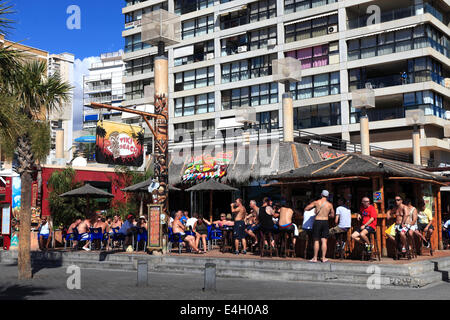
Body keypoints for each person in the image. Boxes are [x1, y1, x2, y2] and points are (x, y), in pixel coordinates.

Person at [305, 190, 335, 263]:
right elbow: (332, 215)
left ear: (321, 194)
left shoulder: (316, 202)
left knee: (316, 240)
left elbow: (306, 208)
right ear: (327, 196)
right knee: (324, 240)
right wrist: (327, 214)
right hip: (325, 221)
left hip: (317, 221)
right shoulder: (329, 204)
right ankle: (323, 258)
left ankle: (315, 258)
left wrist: (315, 210)